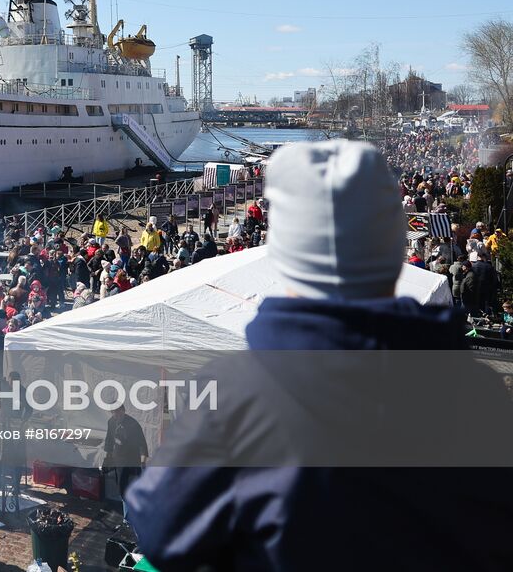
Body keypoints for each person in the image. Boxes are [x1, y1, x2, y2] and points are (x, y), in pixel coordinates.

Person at [126, 140, 512, 571]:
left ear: (286, 256)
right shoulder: (478, 393)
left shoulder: (234, 396)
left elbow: (160, 528)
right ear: (392, 246)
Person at [102, 406, 147, 500]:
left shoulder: (133, 424)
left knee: (136, 484)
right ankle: (125, 503)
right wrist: (108, 455)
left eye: (118, 412)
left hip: (133, 459)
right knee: (122, 485)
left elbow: (142, 443)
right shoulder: (111, 422)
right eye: (113, 412)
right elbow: (109, 439)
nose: (116, 414)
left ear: (123, 411)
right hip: (119, 459)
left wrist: (143, 460)